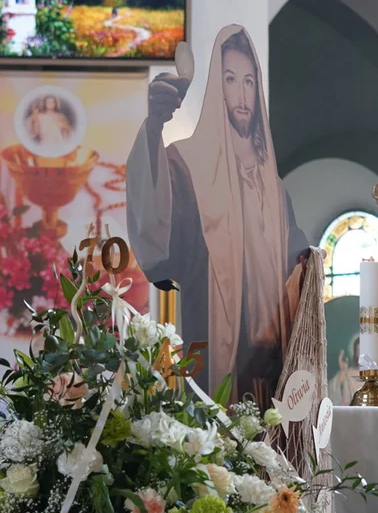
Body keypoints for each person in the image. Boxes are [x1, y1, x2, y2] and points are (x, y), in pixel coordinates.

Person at [126, 25, 308, 408]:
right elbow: (162, 242)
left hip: (270, 369)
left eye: (248, 81)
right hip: (212, 357)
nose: (242, 95)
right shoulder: (187, 164)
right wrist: (155, 127)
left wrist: (311, 263)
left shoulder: (274, 189)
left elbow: (296, 265)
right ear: (216, 88)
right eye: (230, 80)